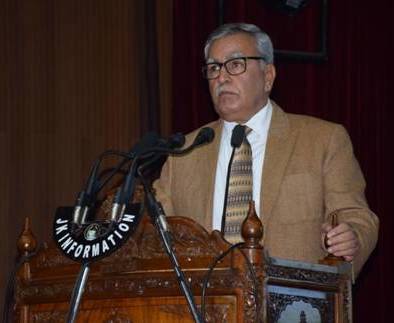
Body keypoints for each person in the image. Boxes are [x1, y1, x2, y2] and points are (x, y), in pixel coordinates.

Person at [154, 23, 378, 277]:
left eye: (235, 64)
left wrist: (353, 238)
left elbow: (356, 216)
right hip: (205, 307)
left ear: (268, 76)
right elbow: (153, 231)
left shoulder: (322, 140)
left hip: (294, 304)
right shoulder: (184, 152)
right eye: (213, 67)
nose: (221, 77)